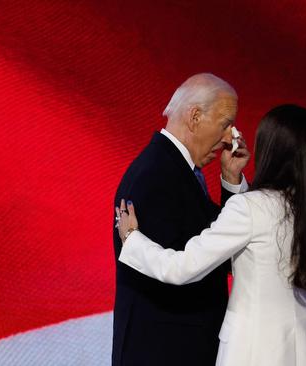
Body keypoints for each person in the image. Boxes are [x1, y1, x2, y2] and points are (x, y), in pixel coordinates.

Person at [116, 104, 306, 366]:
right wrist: (292, 336)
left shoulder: (251, 207)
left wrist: (133, 240)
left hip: (246, 355)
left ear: (269, 150)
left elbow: (184, 267)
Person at [111, 73, 251, 366]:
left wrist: (230, 181)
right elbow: (188, 266)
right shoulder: (156, 176)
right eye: (226, 124)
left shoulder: (175, 171)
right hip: (165, 353)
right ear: (195, 117)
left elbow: (219, 245)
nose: (231, 138)